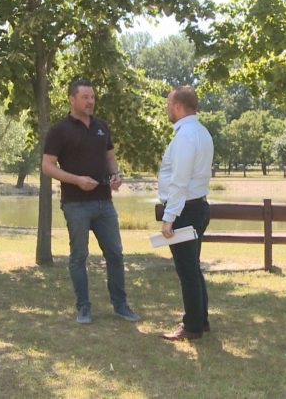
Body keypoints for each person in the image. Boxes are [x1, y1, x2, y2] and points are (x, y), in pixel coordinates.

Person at [42, 78, 140, 324]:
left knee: (115, 254)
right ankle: (83, 307)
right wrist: (77, 180)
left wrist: (116, 175)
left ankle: (121, 306)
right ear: (72, 99)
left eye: (93, 97)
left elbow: (110, 158)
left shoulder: (102, 127)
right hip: (76, 204)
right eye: (85, 97)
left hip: (104, 203)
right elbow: (47, 166)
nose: (90, 102)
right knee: (79, 256)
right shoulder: (59, 130)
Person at [157, 85, 214, 341]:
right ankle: (201, 320)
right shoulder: (201, 132)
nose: (167, 109)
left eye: (169, 104)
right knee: (193, 267)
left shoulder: (185, 136)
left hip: (185, 210)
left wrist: (168, 218)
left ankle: (192, 326)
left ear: (178, 107)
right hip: (197, 206)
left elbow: (180, 181)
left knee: (187, 270)